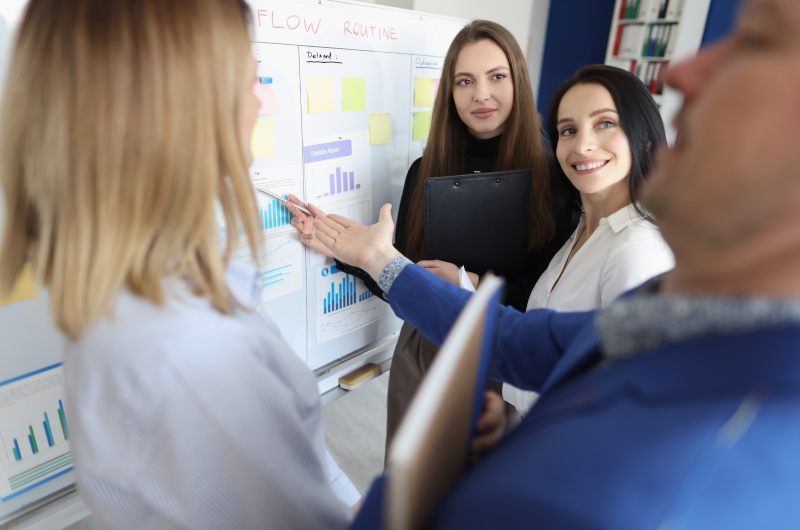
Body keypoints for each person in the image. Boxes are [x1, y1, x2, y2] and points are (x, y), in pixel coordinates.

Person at [307, 0, 800, 525]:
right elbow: (524, 342)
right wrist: (375, 258)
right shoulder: (672, 300)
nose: (681, 70)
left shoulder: (636, 253)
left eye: (757, 40)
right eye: (567, 129)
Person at [0, 0, 355, 528]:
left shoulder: (134, 292)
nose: (261, 102)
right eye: (248, 79)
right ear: (180, 109)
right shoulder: (195, 360)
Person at [290, 20, 579, 450]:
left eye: (496, 77)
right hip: (424, 353)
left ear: (518, 81)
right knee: (411, 500)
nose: (481, 94)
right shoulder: (424, 173)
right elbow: (399, 278)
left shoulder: (556, 178)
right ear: (449, 92)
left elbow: (552, 297)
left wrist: (474, 286)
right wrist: (349, 252)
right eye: (466, 81)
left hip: (506, 362)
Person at [503, 65, 674, 416]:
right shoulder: (581, 231)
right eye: (568, 130)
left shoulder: (636, 250)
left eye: (605, 123)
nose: (582, 145)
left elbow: (623, 402)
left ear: (643, 135)